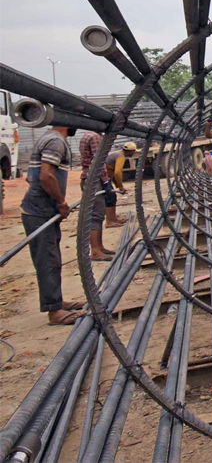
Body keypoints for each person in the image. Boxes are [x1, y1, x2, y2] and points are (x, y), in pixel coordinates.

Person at [20, 124, 85, 325]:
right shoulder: (56, 141)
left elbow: (32, 176)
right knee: (48, 260)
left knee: (52, 259)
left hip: (42, 210)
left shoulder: (48, 137)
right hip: (39, 212)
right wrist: (61, 202)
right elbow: (46, 175)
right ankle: (54, 312)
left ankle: (56, 301)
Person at [77, 130, 115, 261]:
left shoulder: (87, 135)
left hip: (90, 178)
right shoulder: (95, 137)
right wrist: (105, 181)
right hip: (94, 179)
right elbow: (98, 161)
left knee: (98, 213)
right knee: (96, 215)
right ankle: (95, 251)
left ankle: (99, 247)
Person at [103, 142, 137, 226]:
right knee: (110, 197)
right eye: (134, 151)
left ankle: (113, 219)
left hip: (104, 177)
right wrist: (121, 187)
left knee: (112, 196)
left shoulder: (117, 154)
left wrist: (117, 186)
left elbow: (112, 171)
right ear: (131, 151)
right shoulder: (120, 157)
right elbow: (117, 173)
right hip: (103, 178)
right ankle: (109, 221)